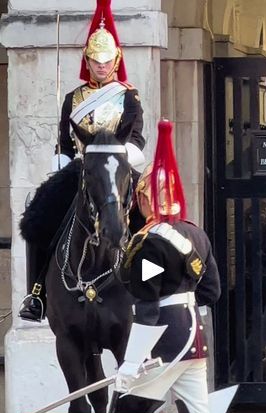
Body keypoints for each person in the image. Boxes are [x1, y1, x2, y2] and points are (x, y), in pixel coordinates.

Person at [49, 120, 227, 413]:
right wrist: (182, 302)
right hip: (194, 342)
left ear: (149, 198)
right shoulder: (195, 234)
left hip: (163, 345)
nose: (138, 201)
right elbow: (212, 292)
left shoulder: (150, 243)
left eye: (142, 194)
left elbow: (145, 310)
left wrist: (130, 363)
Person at [19, 0, 145, 323]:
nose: (101, 67)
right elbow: (64, 139)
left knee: (149, 220)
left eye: (106, 61)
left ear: (116, 60)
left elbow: (136, 137)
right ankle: (36, 294)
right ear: (87, 60)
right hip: (80, 169)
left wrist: (120, 158)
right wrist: (61, 162)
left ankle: (148, 286)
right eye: (95, 61)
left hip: (118, 166)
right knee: (38, 216)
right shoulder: (72, 99)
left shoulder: (127, 96)